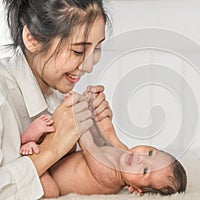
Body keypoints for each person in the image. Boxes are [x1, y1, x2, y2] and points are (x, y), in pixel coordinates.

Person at [0, 0, 124, 199]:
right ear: (32, 39)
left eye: (97, 48)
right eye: (78, 51)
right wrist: (51, 149)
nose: (88, 67)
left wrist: (102, 134)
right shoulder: (3, 97)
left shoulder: (57, 93)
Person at [42, 129, 187, 197]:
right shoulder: (119, 157)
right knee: (68, 145)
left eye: (144, 171)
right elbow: (103, 134)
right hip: (58, 161)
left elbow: (89, 146)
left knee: (51, 191)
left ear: (135, 189)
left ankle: (36, 167)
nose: (140, 159)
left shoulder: (110, 176)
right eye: (150, 153)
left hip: (51, 179)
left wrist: (78, 117)